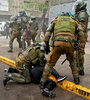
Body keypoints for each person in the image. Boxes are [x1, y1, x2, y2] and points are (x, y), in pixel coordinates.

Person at [40, 13, 84, 91]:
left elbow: (47, 34)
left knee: (50, 63)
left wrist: (46, 45)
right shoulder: (74, 21)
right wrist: (79, 46)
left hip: (57, 44)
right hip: (70, 44)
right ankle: (76, 79)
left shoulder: (56, 20)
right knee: (72, 61)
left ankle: (42, 83)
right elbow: (81, 34)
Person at [74, 0, 89, 75]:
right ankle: (78, 67)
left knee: (80, 51)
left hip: (81, 34)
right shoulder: (81, 13)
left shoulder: (82, 14)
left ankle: (81, 69)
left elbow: (82, 27)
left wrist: (79, 37)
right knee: (78, 51)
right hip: (81, 34)